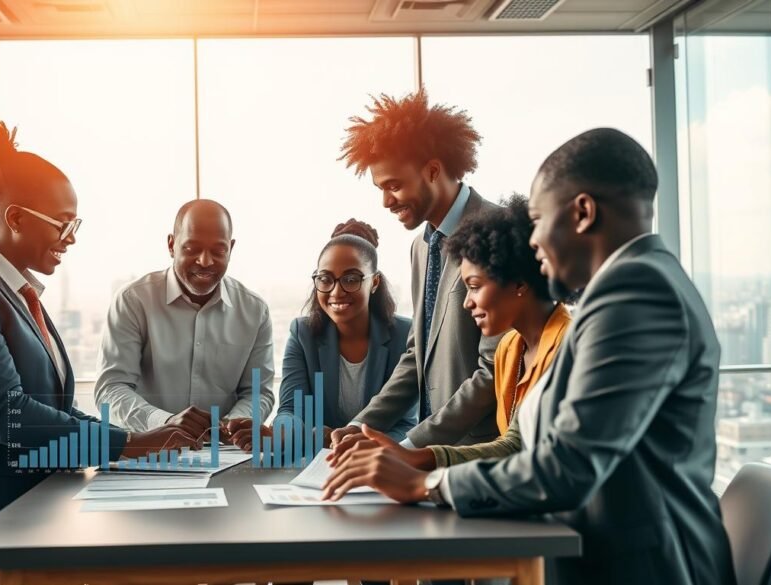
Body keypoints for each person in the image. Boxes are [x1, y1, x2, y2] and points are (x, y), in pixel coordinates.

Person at [324, 128, 735, 585]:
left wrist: (426, 485)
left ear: (582, 212)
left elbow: (569, 465)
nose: (531, 243)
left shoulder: (636, 294)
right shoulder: (619, 295)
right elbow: (525, 441)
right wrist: (417, 458)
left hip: (639, 568)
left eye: (537, 219)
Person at [0, 119, 200, 585]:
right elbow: (9, 416)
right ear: (15, 218)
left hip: (29, 517)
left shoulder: (16, 292)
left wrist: (137, 441)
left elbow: (56, 409)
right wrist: (129, 444)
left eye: (76, 223)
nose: (72, 236)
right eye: (64, 223)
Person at [327, 195, 570, 470]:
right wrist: (407, 456)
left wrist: (421, 473)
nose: (467, 302)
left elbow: (544, 462)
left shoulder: (569, 348)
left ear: (520, 282)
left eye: (475, 287)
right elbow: (513, 444)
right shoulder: (510, 349)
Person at [329, 90, 502, 450]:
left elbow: (494, 369)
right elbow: (416, 355)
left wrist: (408, 449)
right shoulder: (422, 246)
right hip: (427, 454)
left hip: (476, 452)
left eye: (394, 185)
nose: (386, 201)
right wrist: (361, 426)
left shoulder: (496, 231)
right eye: (380, 188)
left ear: (433, 170)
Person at [95, 199, 275, 441]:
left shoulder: (255, 310)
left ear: (231, 248)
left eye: (218, 250)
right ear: (172, 245)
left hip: (225, 453)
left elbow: (258, 393)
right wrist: (166, 423)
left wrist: (233, 424)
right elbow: (111, 388)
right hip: (150, 451)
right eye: (192, 249)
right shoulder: (134, 300)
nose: (205, 261)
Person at [228, 219, 416, 451]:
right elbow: (291, 409)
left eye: (351, 279)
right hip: (315, 463)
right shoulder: (303, 333)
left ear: (374, 282)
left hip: (379, 461)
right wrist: (279, 434)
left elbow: (406, 424)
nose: (337, 292)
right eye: (325, 279)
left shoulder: (405, 335)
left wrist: (354, 442)